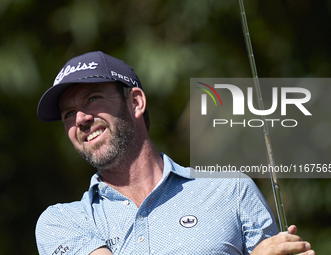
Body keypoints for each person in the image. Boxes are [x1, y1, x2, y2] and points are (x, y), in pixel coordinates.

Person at [35, 51, 315, 255]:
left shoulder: (232, 191)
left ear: (135, 102)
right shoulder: (62, 222)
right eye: (68, 114)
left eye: (93, 99)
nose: (80, 119)